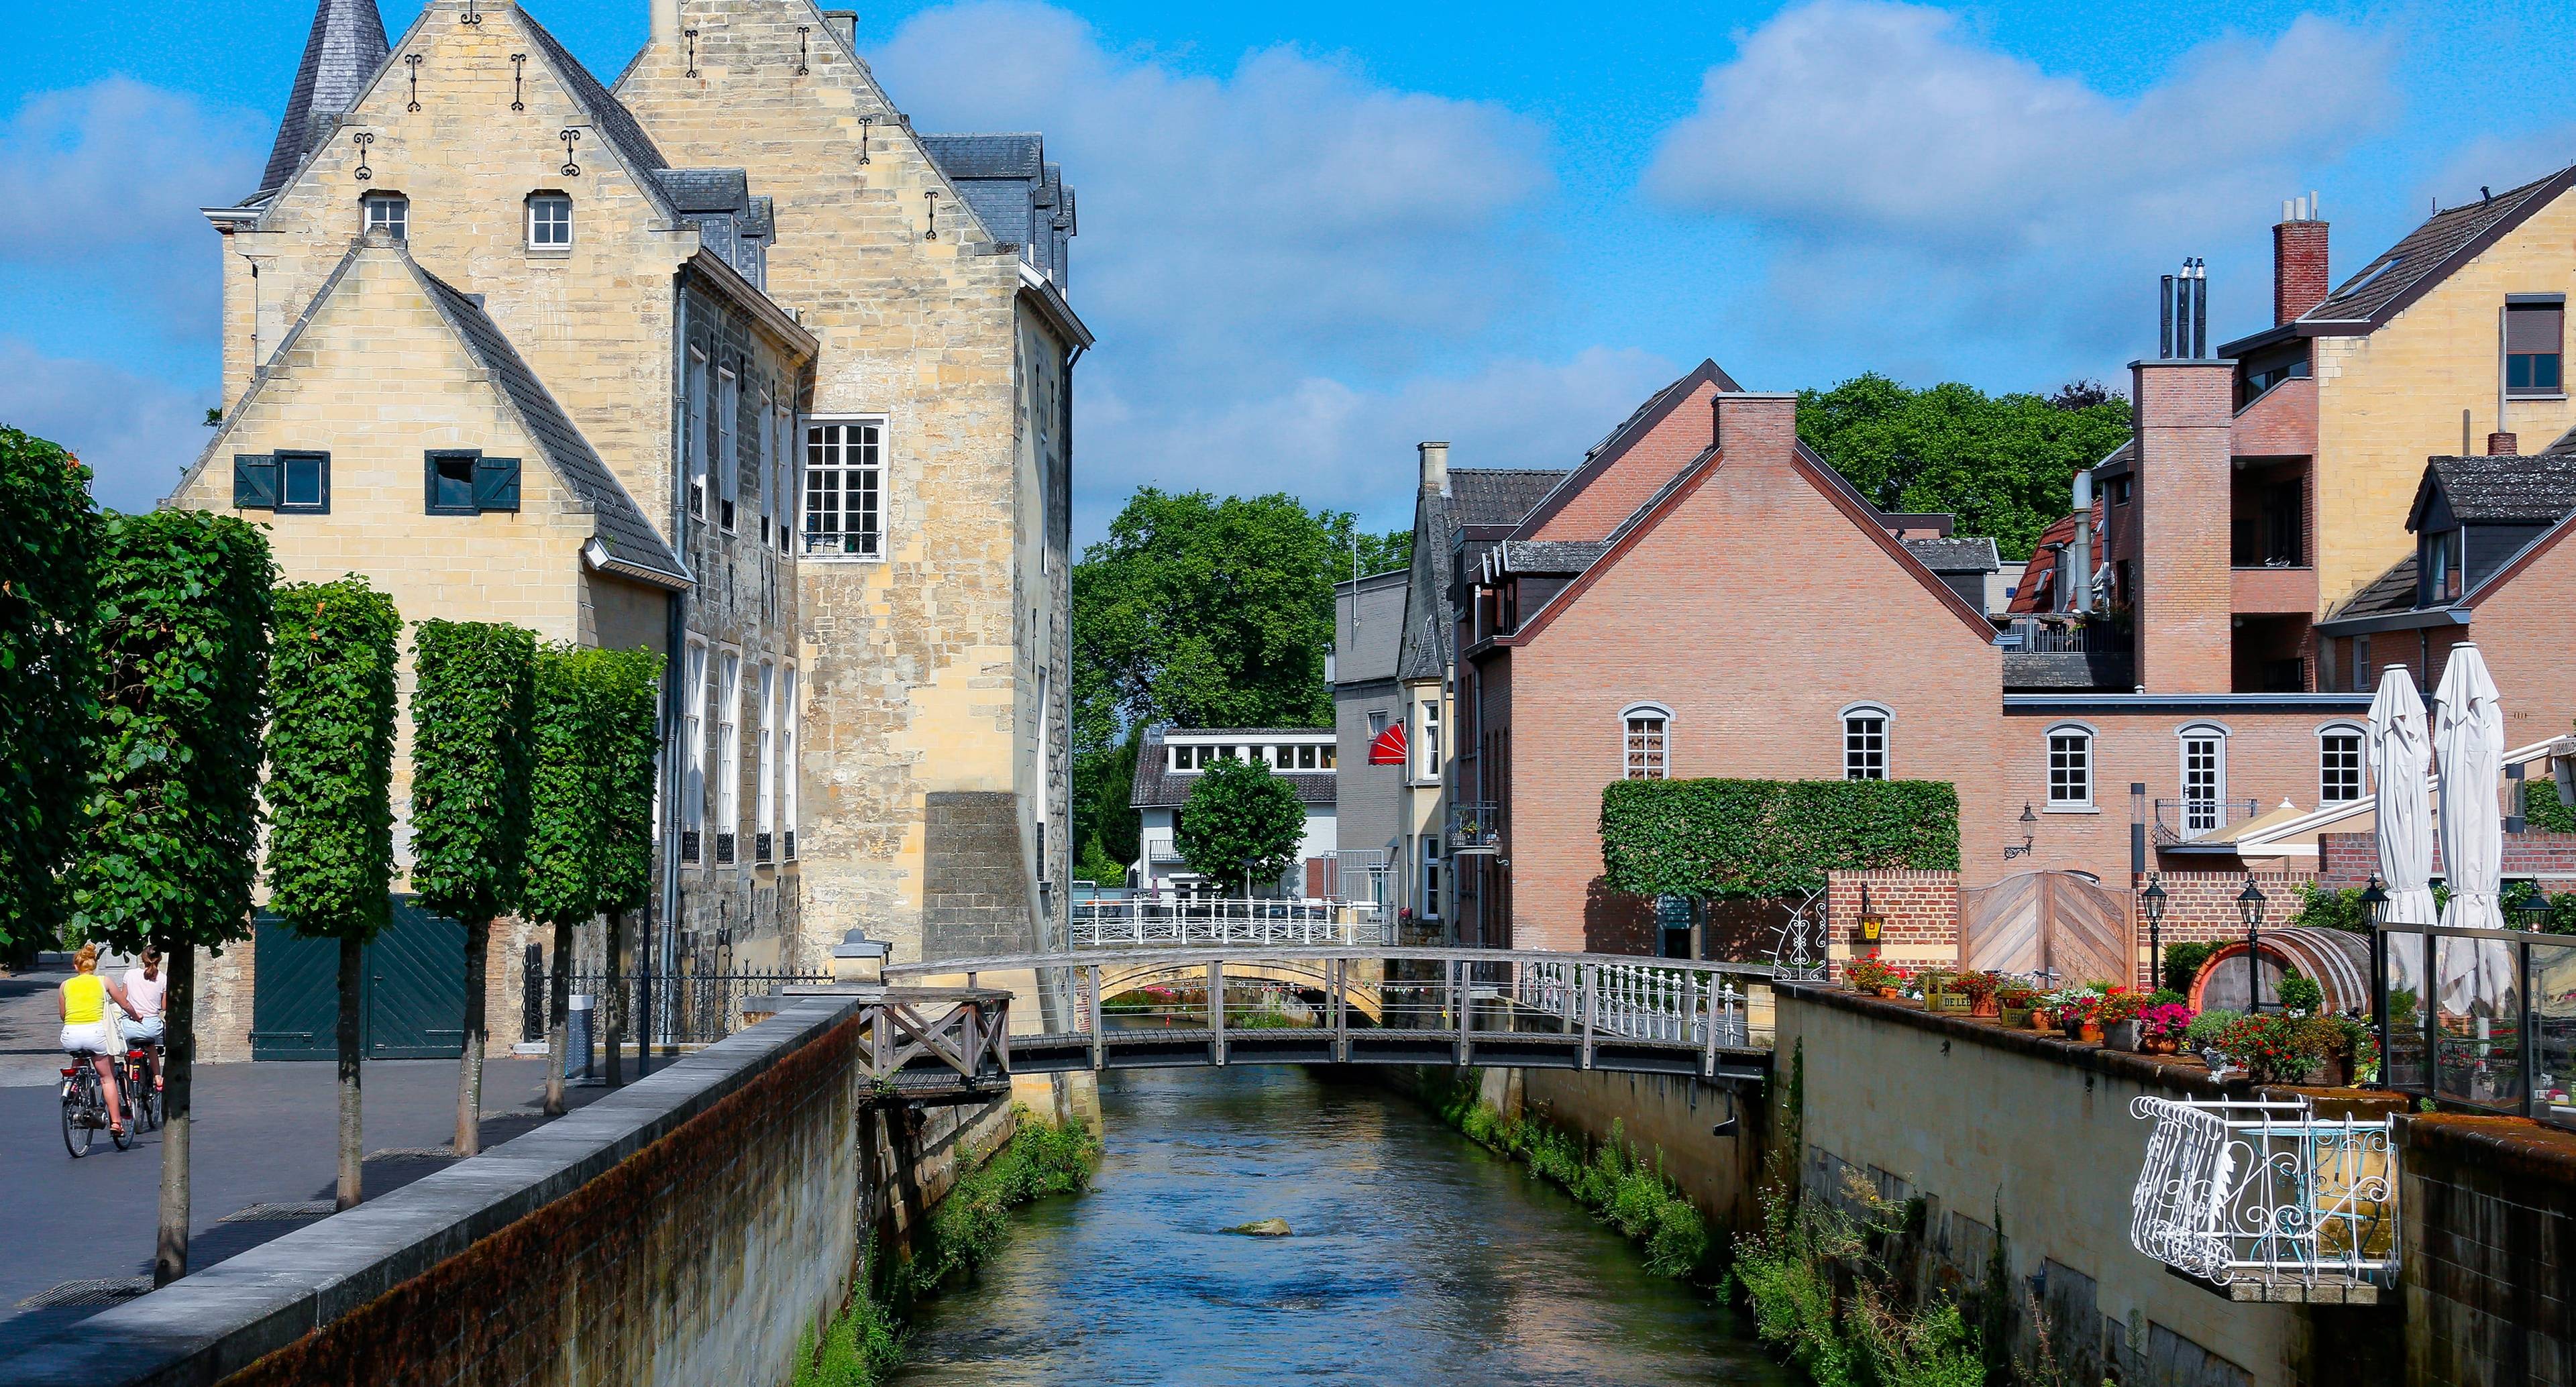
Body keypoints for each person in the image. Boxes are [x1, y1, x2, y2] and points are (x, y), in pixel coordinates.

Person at [58, 944, 140, 1139]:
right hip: (95, 1034)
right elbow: (124, 1004)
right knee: (106, 1078)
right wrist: (137, 1016)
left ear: (76, 967)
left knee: (78, 1059)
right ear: (94, 966)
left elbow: (63, 1015)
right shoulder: (104, 981)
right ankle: (116, 1123)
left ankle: (74, 1088)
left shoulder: (65, 985)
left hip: (70, 1035)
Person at [121, 948, 168, 1093]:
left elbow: (123, 998)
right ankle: (157, 1076)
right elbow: (164, 1006)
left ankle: (129, 1092)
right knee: (151, 1047)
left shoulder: (130, 975)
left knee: (129, 1054)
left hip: (131, 1025)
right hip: (152, 1026)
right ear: (159, 959)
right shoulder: (163, 978)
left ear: (142, 958)